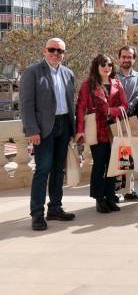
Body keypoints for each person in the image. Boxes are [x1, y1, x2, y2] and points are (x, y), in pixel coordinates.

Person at [20, 38, 78, 231]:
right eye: (52, 50)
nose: (56, 53)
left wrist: (72, 129)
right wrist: (32, 130)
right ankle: (37, 214)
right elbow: (26, 105)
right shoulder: (32, 72)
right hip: (43, 129)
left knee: (58, 171)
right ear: (44, 51)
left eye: (60, 51)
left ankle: (55, 208)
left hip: (63, 126)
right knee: (43, 170)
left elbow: (71, 104)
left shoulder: (69, 74)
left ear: (64, 53)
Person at [76, 54, 128, 213]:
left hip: (114, 129)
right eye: (103, 65)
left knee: (113, 164)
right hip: (96, 130)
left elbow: (124, 105)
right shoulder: (88, 84)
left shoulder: (117, 83)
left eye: (110, 65)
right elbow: (80, 108)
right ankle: (100, 199)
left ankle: (111, 197)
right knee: (99, 165)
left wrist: (110, 111)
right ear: (96, 67)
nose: (107, 68)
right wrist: (79, 131)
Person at [116, 46, 138, 202]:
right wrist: (120, 110)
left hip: (131, 119)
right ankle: (116, 190)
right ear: (119, 58)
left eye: (130, 57)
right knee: (118, 154)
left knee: (129, 155)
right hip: (115, 120)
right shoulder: (113, 75)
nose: (126, 59)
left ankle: (129, 190)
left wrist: (127, 107)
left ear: (134, 59)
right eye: (124, 56)